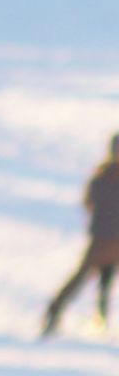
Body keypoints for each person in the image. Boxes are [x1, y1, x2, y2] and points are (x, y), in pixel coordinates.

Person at [48, 129, 119, 336]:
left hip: (105, 237)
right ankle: (55, 312)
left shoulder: (100, 177)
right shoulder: (103, 178)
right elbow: (91, 203)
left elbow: (89, 203)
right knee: (87, 277)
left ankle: (100, 318)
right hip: (105, 239)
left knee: (104, 277)